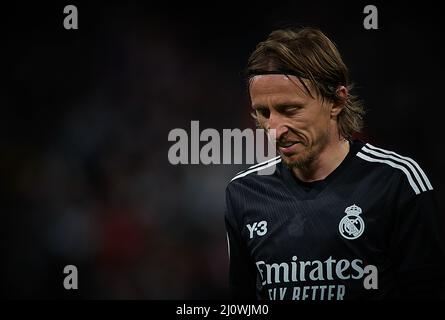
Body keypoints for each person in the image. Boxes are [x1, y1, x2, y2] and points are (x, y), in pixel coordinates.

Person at [224, 27, 445, 300]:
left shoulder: (397, 181)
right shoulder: (244, 192)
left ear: (337, 100)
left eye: (289, 110)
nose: (274, 129)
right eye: (263, 113)